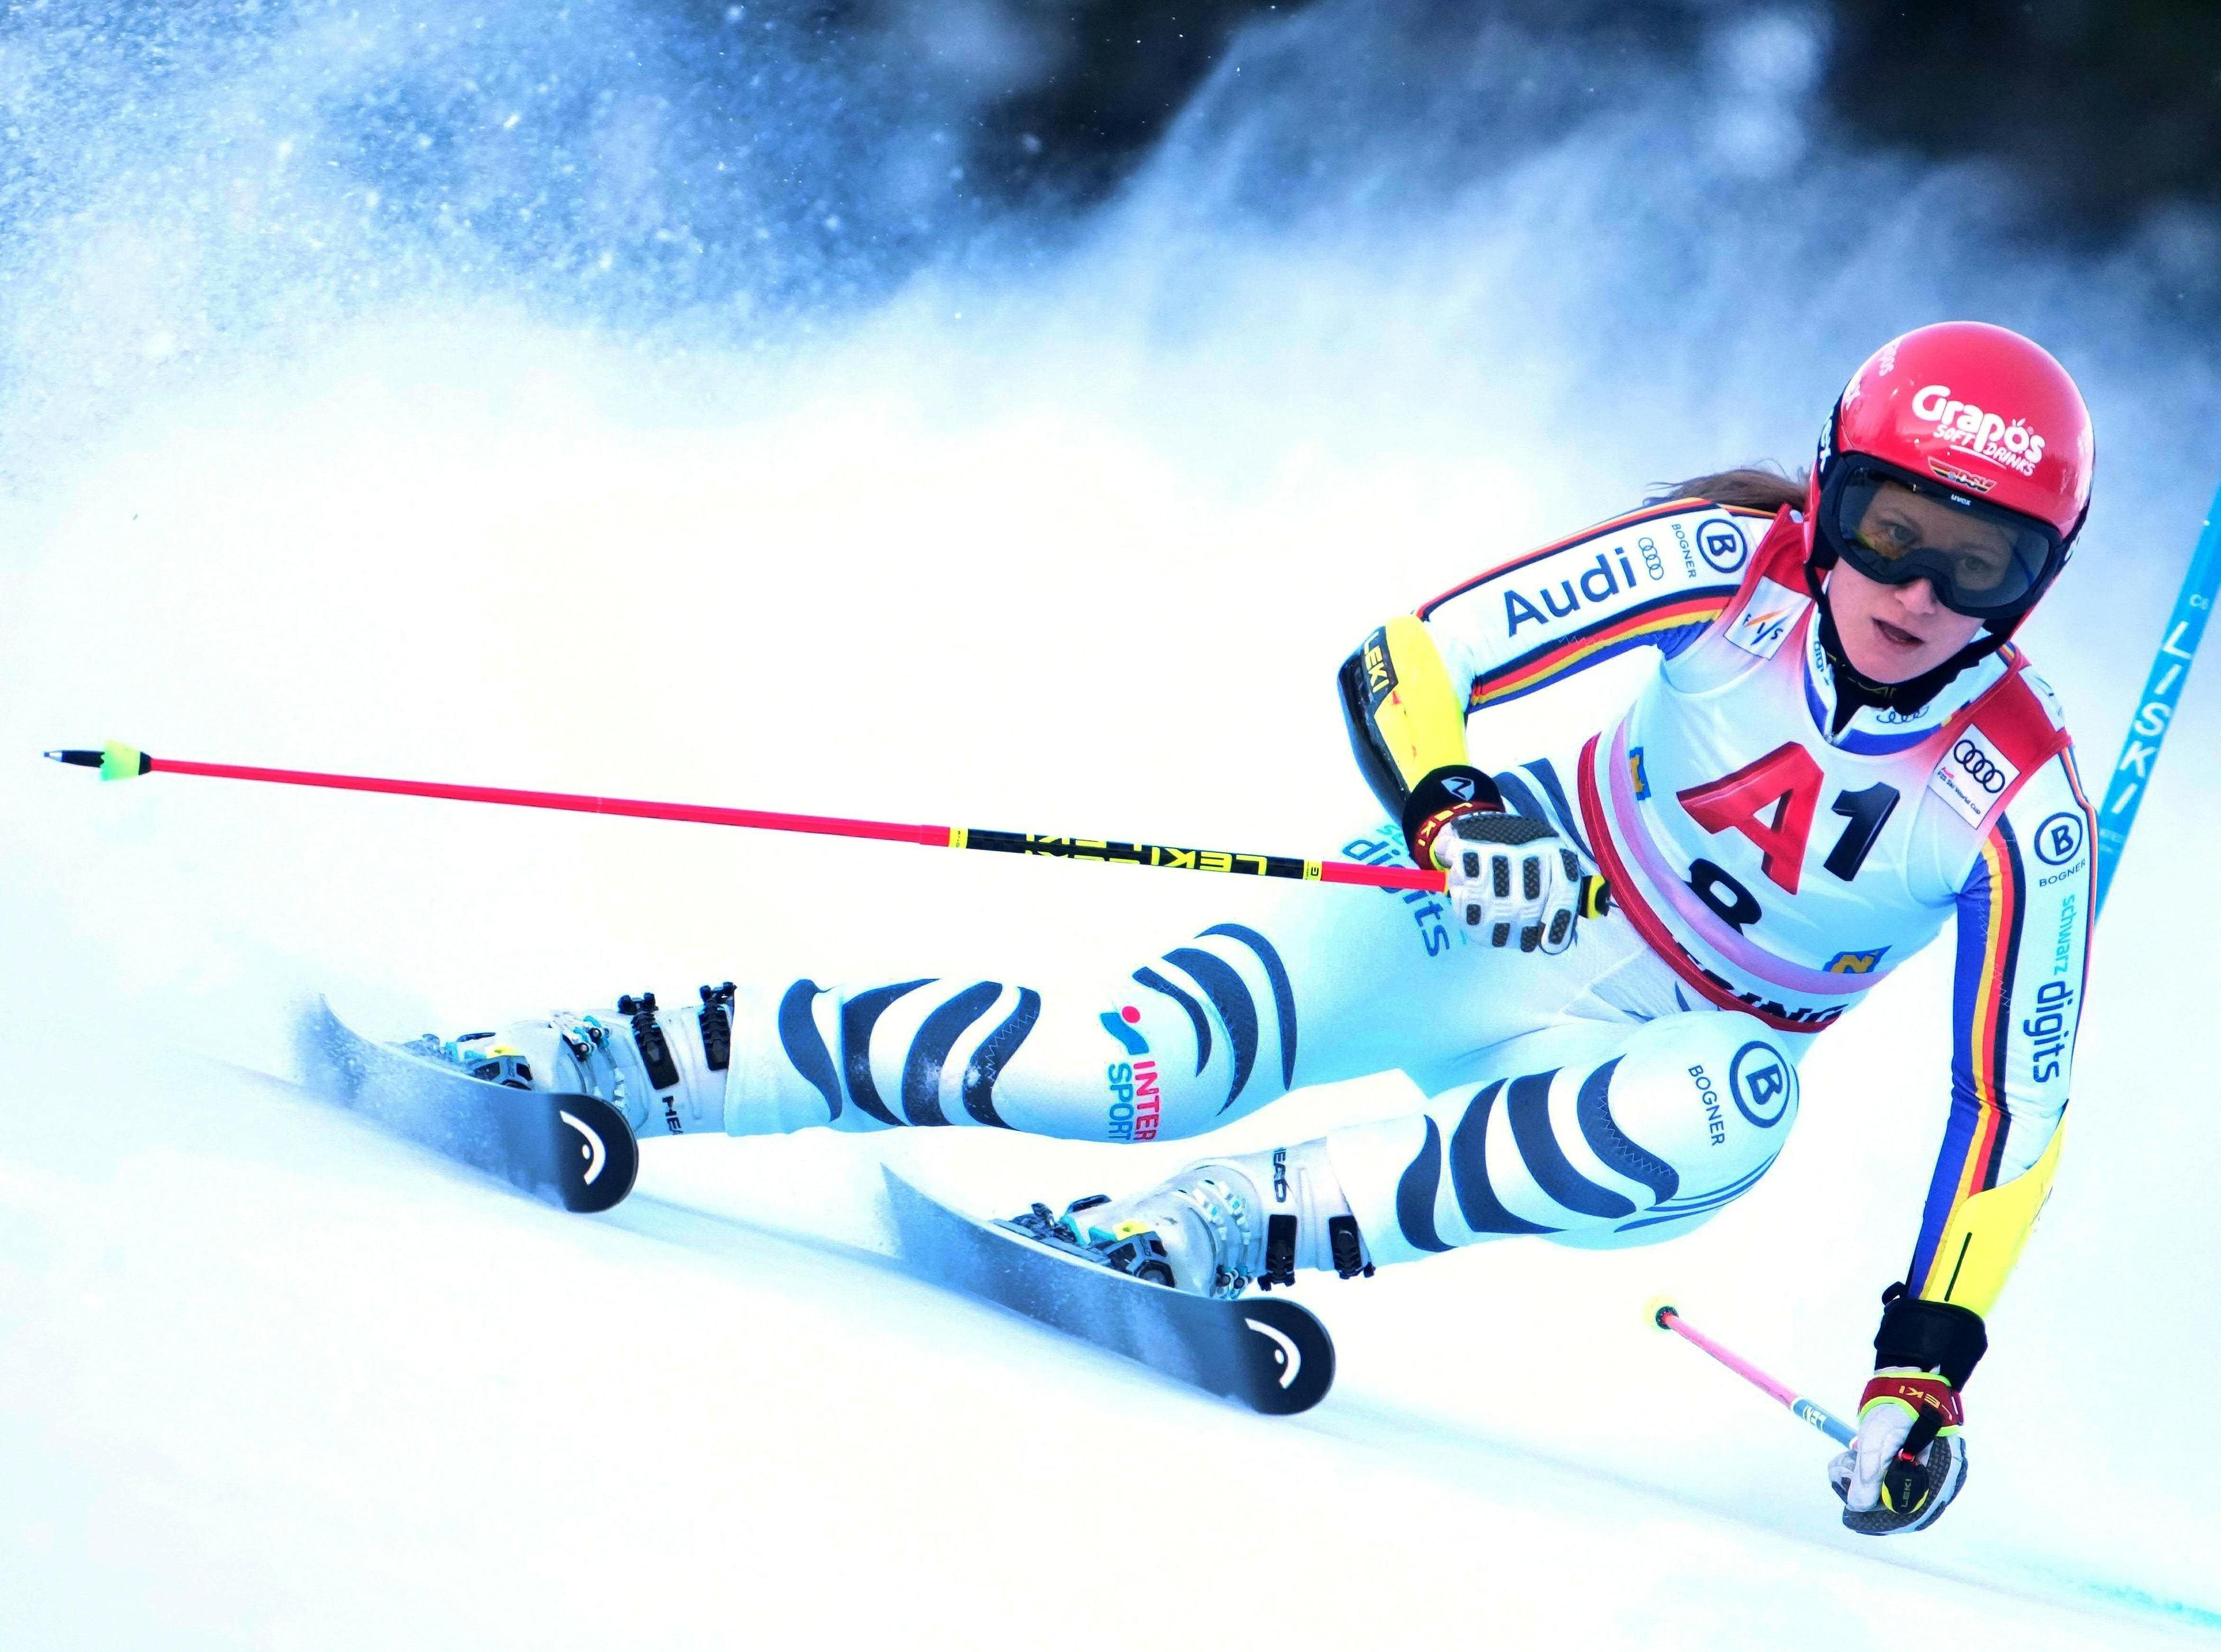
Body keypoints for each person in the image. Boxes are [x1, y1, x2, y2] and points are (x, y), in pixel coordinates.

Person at [437, 321, 2097, 1535]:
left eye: (1982, 566)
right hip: (1497, 912)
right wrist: (1457, 808)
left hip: (1647, 1076)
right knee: (1122, 1070)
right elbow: (1408, 658)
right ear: (1832, 490)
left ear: (2038, 582)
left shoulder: (2024, 803)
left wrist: (1922, 1371)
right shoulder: (1733, 562)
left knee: (1746, 1095)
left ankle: (1209, 1232)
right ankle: (637, 1054)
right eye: (1892, 531)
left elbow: (2013, 1105)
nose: (1919, 596)